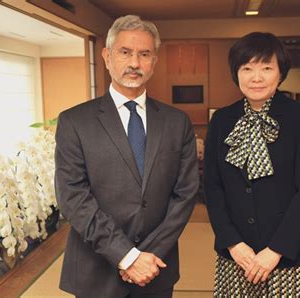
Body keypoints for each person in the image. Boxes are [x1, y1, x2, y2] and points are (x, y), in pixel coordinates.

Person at [55, 15, 198, 298]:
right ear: (107, 56)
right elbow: (73, 197)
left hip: (156, 269)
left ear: (154, 61)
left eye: (144, 54)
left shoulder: (176, 122)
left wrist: (147, 257)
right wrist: (127, 256)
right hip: (95, 270)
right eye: (125, 52)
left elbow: (185, 194)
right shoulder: (75, 121)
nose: (135, 63)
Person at [203, 32, 300, 296]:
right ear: (236, 73)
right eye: (247, 68)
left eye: (266, 68)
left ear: (280, 73)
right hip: (237, 256)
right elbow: (212, 187)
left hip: (289, 254)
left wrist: (276, 250)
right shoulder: (222, 120)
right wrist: (233, 243)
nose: (256, 78)